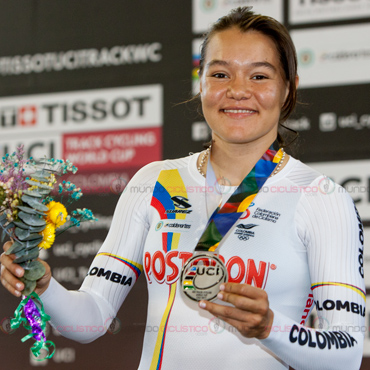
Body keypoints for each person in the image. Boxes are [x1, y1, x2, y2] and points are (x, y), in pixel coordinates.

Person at [0, 7, 365, 370]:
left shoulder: (320, 198)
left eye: (259, 76)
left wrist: (270, 327)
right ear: (201, 81)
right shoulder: (155, 182)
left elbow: (346, 354)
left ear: (288, 88)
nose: (238, 90)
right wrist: (45, 286)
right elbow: (91, 319)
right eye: (220, 73)